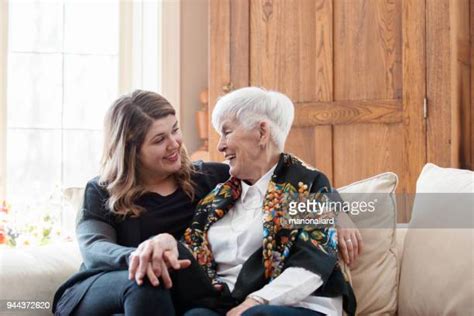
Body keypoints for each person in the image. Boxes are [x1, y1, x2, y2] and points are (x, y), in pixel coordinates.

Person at [138, 87, 360, 316]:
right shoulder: (218, 195)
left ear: (262, 132)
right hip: (229, 303)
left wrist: (255, 301)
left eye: (227, 132)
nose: (220, 146)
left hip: (300, 305)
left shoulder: (305, 185)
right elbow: (191, 251)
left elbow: (311, 264)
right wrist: (164, 241)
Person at [52, 90, 230, 315]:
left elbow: (273, 178)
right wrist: (139, 256)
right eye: (159, 139)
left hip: (172, 296)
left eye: (175, 130)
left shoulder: (208, 178)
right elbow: (94, 247)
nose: (173, 144)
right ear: (131, 150)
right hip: (104, 285)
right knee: (146, 280)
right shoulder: (101, 190)